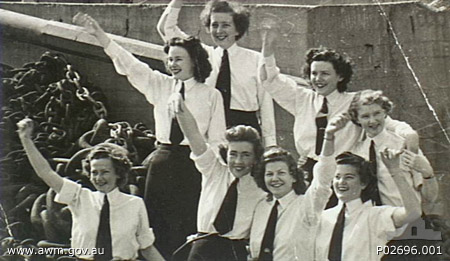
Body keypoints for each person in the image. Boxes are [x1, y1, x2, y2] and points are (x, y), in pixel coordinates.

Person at [73, 13, 226, 258]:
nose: (172, 64)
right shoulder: (160, 85)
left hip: (195, 166)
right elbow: (131, 65)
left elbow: (218, 139)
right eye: (170, 59)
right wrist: (101, 36)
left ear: (194, 61)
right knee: (157, 224)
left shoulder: (211, 95)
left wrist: (213, 171)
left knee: (188, 223)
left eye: (178, 59)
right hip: (162, 162)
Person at [260, 20, 418, 182]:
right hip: (308, 170)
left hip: (343, 173)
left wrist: (409, 134)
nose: (318, 79)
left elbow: (389, 124)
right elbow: (271, 80)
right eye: (314, 73)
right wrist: (267, 50)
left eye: (325, 74)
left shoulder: (355, 101)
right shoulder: (302, 98)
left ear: (340, 76)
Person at [17, 118, 164, 261]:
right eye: (94, 172)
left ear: (118, 173)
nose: (98, 178)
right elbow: (46, 172)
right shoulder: (79, 197)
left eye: (105, 172)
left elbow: (147, 247)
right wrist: (26, 140)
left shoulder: (135, 204)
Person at [157, 0, 277, 147]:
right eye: (214, 25)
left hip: (245, 129)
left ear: (237, 29)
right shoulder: (202, 54)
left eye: (225, 25)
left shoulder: (255, 59)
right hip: (210, 127)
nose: (219, 31)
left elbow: (266, 105)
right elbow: (165, 28)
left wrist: (271, 145)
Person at [168, 93, 266, 261]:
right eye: (233, 154)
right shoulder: (214, 170)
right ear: (225, 154)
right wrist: (179, 106)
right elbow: (193, 135)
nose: (238, 161)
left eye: (246, 155)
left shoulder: (262, 186)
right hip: (203, 247)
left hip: (236, 251)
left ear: (256, 157)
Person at [314, 150, 422, 261]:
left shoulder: (376, 216)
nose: (341, 182)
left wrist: (395, 171)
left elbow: (413, 213)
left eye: (349, 177)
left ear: (363, 183)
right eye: (337, 177)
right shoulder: (324, 218)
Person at [348, 90, 438, 208]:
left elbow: (430, 197)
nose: (372, 121)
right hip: (374, 223)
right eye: (365, 116)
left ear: (385, 113)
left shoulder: (403, 145)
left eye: (377, 113)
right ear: (357, 119)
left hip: (408, 222)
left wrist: (428, 174)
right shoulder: (356, 152)